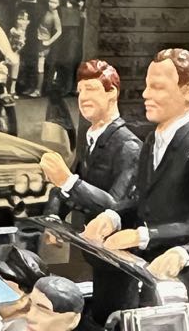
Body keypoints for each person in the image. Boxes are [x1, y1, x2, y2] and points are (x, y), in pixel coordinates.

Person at [85, 47, 189, 331]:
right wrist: (112, 216)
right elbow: (142, 197)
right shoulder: (152, 140)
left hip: (181, 284)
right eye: (147, 86)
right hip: (145, 272)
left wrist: (142, 235)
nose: (146, 95)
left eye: (158, 87)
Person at [41, 58, 141, 225]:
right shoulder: (91, 139)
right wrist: (52, 218)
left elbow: (115, 210)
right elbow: (63, 191)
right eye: (80, 91)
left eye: (91, 89)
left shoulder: (129, 147)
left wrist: (68, 181)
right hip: (86, 238)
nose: (83, 97)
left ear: (112, 92)